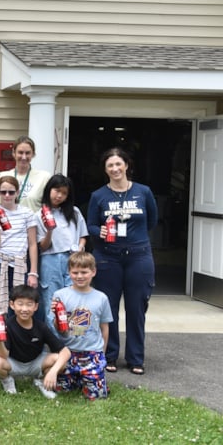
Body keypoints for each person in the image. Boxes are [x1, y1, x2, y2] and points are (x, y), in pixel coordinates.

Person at [86, 147, 157, 376]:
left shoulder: (143, 192)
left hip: (139, 255)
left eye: (119, 164)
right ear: (105, 170)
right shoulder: (99, 195)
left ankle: (136, 358)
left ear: (127, 165)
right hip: (108, 257)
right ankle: (110, 355)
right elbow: (90, 225)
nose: (115, 169)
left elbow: (152, 220)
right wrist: (101, 233)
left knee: (137, 308)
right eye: (110, 166)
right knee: (109, 308)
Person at [0, 284, 70, 398]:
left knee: (60, 359)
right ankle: (7, 381)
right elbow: (3, 355)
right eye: (20, 304)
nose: (24, 309)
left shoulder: (41, 326)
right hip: (14, 364)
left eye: (29, 304)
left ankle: (41, 381)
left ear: (36, 307)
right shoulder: (7, 325)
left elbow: (66, 352)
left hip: (36, 363)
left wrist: (53, 372)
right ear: (12, 305)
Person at [53, 252, 114, 399]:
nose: (79, 276)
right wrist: (56, 315)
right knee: (61, 390)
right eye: (75, 272)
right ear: (69, 272)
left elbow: (104, 327)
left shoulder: (101, 298)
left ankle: (93, 378)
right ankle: (79, 379)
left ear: (93, 272)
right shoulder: (60, 295)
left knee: (96, 395)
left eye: (84, 272)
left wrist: (102, 353)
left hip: (92, 352)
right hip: (68, 352)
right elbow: (57, 328)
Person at [36, 174, 88, 336]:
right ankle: (55, 345)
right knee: (52, 302)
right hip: (50, 260)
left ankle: (76, 343)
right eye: (56, 191)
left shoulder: (74, 212)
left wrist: (80, 247)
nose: (59, 196)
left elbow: (83, 236)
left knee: (76, 299)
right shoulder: (39, 215)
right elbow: (42, 247)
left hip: (72, 259)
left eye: (64, 193)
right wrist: (50, 229)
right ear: (48, 190)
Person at [0, 175, 39, 314]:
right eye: (3, 192)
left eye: (11, 192)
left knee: (21, 303)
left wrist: (33, 272)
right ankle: (1, 333)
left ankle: (17, 335)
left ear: (17, 193)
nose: (7, 195)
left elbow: (32, 244)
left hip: (19, 263)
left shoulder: (27, 213)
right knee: (0, 305)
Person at [0, 136, 51, 212]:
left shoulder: (44, 177)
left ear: (33, 154)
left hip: (33, 223)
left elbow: (49, 205)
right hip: (8, 223)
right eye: (20, 152)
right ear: (14, 153)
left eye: (27, 153)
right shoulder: (2, 176)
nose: (24, 157)